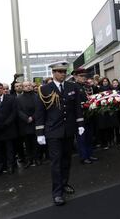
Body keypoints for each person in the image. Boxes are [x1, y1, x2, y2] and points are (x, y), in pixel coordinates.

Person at [35, 62, 85, 206]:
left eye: (64, 71)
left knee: (66, 160)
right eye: (60, 71)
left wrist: (80, 124)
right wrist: (40, 132)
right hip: (52, 131)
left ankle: (64, 183)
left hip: (69, 129)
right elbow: (40, 112)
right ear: (53, 73)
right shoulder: (44, 89)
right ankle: (57, 192)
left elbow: (77, 108)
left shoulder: (72, 86)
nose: (63, 74)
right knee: (56, 162)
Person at [71, 68, 98, 164]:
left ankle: (89, 154)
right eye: (81, 76)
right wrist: (83, 105)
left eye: (84, 76)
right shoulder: (73, 87)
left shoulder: (84, 86)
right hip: (80, 117)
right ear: (75, 76)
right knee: (81, 138)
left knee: (89, 137)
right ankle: (84, 157)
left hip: (88, 116)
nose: (83, 78)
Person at [16, 81, 39, 168]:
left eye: (29, 85)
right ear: (22, 87)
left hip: (35, 122)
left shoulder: (37, 97)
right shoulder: (18, 98)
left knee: (36, 142)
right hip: (25, 124)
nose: (28, 87)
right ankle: (29, 160)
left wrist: (32, 117)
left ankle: (37, 159)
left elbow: (39, 109)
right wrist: (26, 118)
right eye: (25, 86)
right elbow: (18, 110)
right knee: (27, 143)